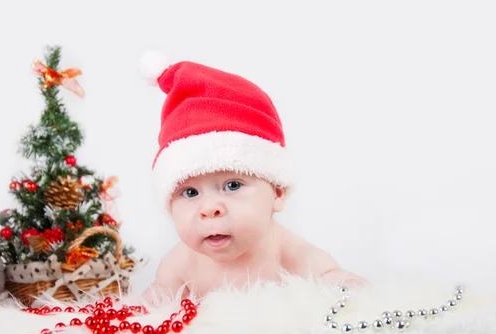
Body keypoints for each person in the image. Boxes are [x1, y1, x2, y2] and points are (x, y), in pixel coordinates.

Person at [138, 52, 367, 303]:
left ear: (278, 194)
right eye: (190, 192)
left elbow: (327, 274)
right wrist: (153, 300)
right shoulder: (180, 265)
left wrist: (338, 281)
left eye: (233, 185)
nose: (210, 208)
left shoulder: (285, 250)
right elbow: (160, 303)